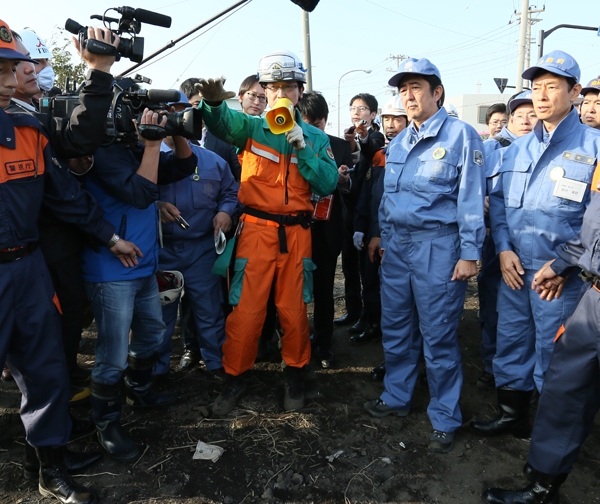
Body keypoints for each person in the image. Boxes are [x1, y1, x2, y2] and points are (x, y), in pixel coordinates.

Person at [0, 19, 142, 504]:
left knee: (48, 369)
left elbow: (64, 196)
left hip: (28, 268)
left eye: (11, 63)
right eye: (3, 65)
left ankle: (49, 468)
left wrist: (109, 237)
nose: (12, 73)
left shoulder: (27, 128)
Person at [195, 49, 338, 415]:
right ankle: (234, 378)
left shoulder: (317, 139)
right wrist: (212, 105)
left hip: (297, 236)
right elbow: (225, 125)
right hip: (256, 231)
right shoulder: (254, 127)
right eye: (271, 87)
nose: (278, 95)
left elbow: (327, 182)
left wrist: (302, 146)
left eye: (286, 87)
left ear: (299, 90)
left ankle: (294, 374)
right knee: (245, 311)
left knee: (292, 311)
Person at [471, 50, 600, 440]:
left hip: (560, 279)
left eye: (552, 87)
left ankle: (551, 439)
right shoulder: (518, 148)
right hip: (515, 269)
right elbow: (502, 207)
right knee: (511, 344)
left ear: (575, 92)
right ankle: (513, 417)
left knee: (554, 356)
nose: (541, 96)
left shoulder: (594, 147)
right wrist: (505, 250)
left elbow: (596, 222)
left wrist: (564, 265)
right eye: (536, 87)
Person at [364, 57, 486, 454]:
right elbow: (389, 196)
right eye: (403, 90)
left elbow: (470, 198)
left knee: (438, 334)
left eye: (416, 87)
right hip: (397, 247)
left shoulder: (462, 136)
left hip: (439, 245)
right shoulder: (398, 142)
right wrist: (381, 234)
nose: (408, 96)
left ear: (437, 92)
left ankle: (445, 414)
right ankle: (397, 395)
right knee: (396, 325)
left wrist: (469, 251)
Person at [81, 99, 197, 462]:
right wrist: (150, 144)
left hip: (143, 263)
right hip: (111, 268)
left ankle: (140, 389)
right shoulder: (102, 153)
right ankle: (107, 422)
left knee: (152, 333)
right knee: (112, 353)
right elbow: (141, 192)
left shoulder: (134, 150)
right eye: (137, 115)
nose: (142, 120)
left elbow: (185, 165)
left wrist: (176, 131)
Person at [480, 155, 600, 504]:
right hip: (593, 291)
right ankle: (544, 485)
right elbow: (594, 226)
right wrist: (564, 262)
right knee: (566, 388)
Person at [6, 32, 94, 404]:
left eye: (38, 62)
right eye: (27, 63)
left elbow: (63, 178)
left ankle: (47, 452)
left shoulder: (34, 121)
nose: (34, 70)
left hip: (37, 252)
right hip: (34, 246)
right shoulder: (21, 121)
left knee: (56, 327)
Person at [154, 91, 240, 380]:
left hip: (202, 250)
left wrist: (226, 211)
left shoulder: (213, 161)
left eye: (183, 114)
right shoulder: (146, 159)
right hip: (160, 251)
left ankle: (216, 366)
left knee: (209, 312)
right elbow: (129, 193)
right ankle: (157, 372)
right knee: (159, 317)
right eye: (171, 114)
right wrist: (156, 206)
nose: (177, 121)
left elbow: (231, 191)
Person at [476, 91, 537, 391]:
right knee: (493, 298)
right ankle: (491, 361)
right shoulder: (491, 147)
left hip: (531, 242)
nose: (526, 120)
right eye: (520, 115)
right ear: (510, 119)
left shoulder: (543, 150)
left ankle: (526, 374)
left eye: (532, 114)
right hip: (494, 237)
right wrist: (481, 201)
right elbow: (471, 185)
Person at [296, 91, 354, 368]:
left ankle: (324, 343)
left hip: (327, 230)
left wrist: (341, 181)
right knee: (292, 290)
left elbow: (350, 190)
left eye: (318, 124)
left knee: (323, 290)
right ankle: (295, 340)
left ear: (325, 121)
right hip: (296, 229)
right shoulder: (287, 144)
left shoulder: (340, 147)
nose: (312, 129)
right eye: (308, 122)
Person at [351, 94, 408, 346]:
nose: (391, 123)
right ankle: (375, 325)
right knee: (371, 283)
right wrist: (361, 227)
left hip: (402, 237)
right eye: (387, 118)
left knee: (398, 296)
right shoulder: (380, 155)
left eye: (397, 118)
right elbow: (369, 196)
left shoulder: (413, 156)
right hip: (376, 232)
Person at [335, 93, 385, 335]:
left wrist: (360, 140)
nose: (356, 112)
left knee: (368, 270)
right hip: (348, 209)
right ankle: (354, 310)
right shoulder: (348, 135)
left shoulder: (375, 137)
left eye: (362, 108)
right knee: (349, 267)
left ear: (373, 115)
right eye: (353, 107)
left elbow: (370, 149)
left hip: (364, 213)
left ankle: (369, 317)